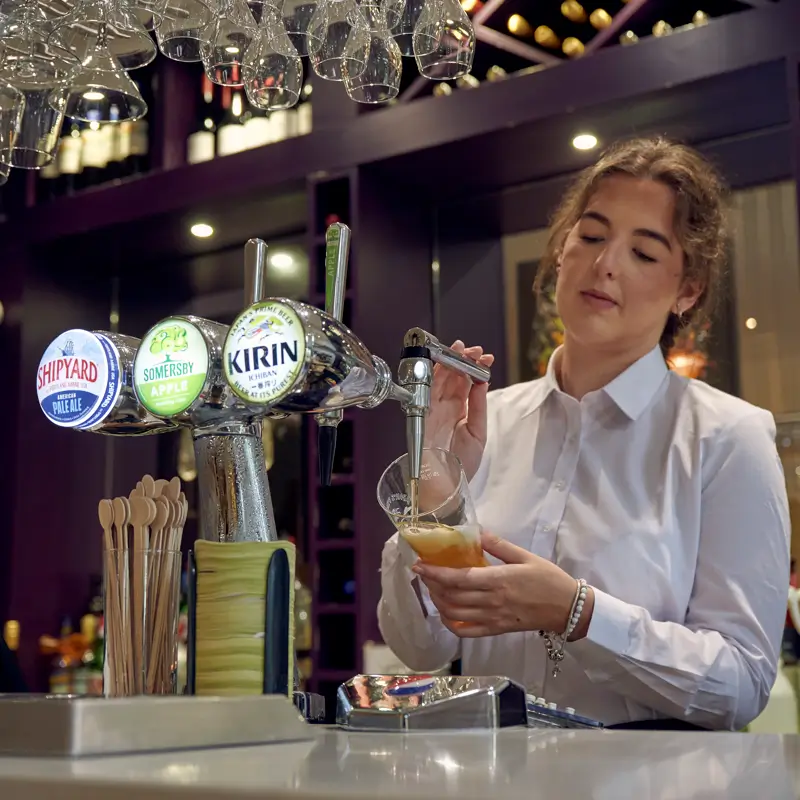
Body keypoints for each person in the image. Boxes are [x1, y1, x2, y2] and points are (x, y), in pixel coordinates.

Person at [378, 136, 791, 732]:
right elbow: (423, 648)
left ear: (688, 289)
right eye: (591, 236)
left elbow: (743, 682)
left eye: (645, 254)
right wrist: (436, 485)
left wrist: (578, 613)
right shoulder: (486, 420)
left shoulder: (727, 438)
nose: (606, 265)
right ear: (563, 246)